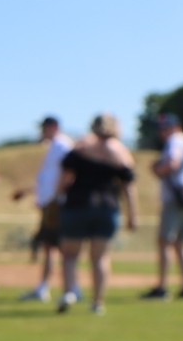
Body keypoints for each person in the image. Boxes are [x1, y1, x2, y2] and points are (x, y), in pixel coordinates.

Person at [55, 113, 137, 314]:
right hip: (107, 207)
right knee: (99, 258)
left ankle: (69, 292)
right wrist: (132, 214)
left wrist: (57, 196)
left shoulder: (82, 146)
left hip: (77, 204)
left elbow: (65, 176)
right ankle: (97, 302)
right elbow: (128, 185)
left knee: (70, 255)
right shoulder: (120, 152)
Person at [12, 115, 73, 301]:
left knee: (60, 247)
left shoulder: (62, 146)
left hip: (56, 204)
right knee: (50, 246)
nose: (41, 132)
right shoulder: (54, 147)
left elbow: (68, 174)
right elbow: (48, 179)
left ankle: (70, 288)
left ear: (53, 126)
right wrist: (31, 193)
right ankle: (47, 287)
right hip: (50, 203)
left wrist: (57, 199)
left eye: (44, 128)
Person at [143, 112, 183, 301]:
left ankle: (162, 287)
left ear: (175, 126)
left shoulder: (175, 141)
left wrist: (158, 169)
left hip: (175, 197)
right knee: (181, 244)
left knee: (165, 242)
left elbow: (172, 163)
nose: (162, 132)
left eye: (165, 128)